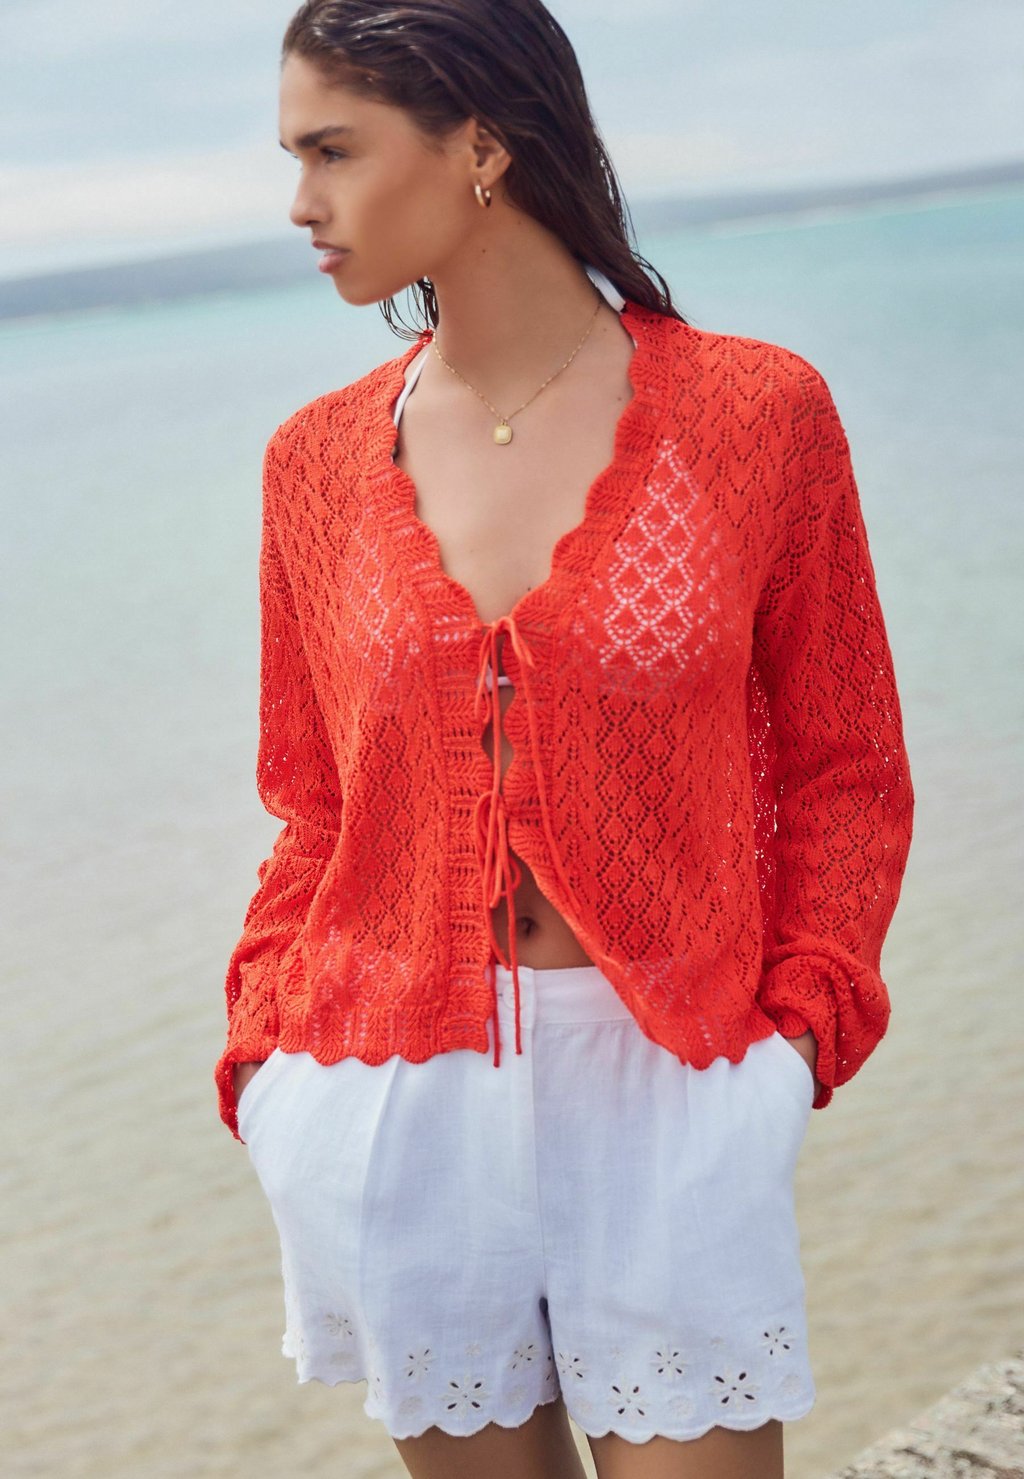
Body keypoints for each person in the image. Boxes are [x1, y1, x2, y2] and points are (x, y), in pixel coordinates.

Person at [215, 2, 915, 1476]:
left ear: (480, 144)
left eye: (333, 151)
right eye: (295, 159)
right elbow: (313, 807)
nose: (302, 204)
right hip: (396, 1083)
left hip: (675, 1076)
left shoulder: (754, 415)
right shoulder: (314, 465)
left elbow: (845, 768)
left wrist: (797, 1035)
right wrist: (269, 1058)